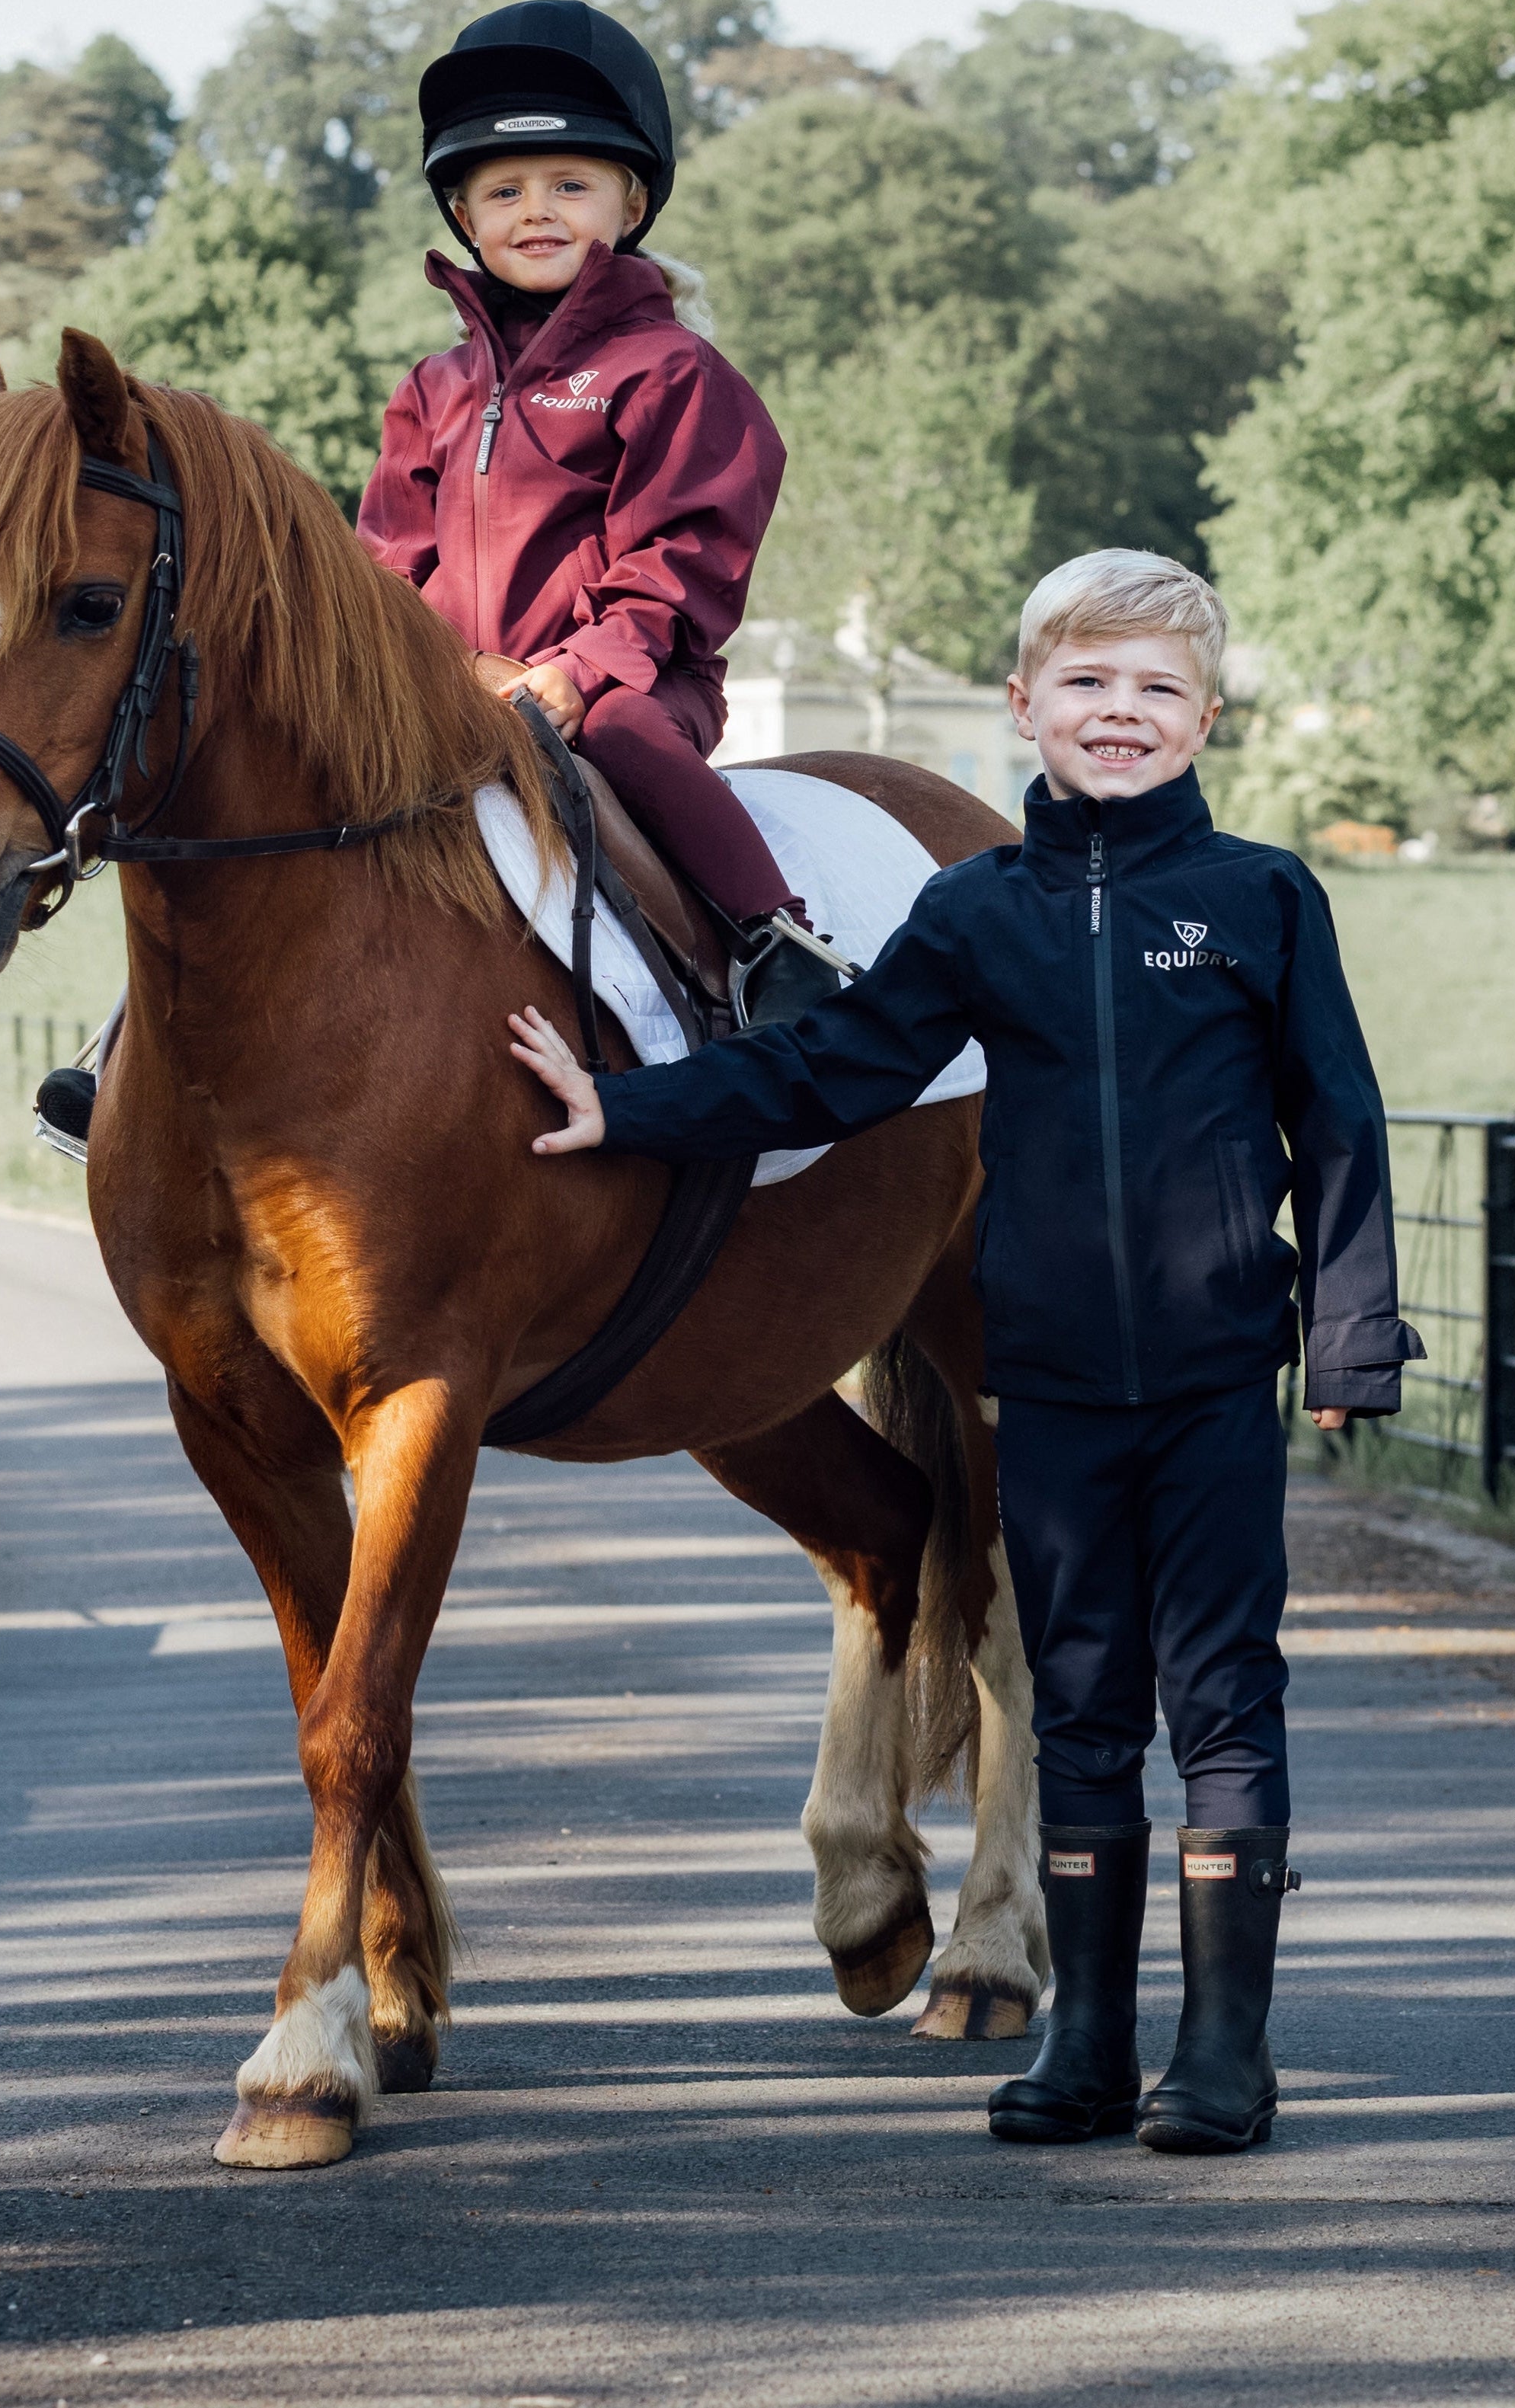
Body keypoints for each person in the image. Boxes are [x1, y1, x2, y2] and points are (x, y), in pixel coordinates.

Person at [507, 547, 1423, 2154]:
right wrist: (624, 1108)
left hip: (1212, 1373)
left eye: (1154, 689)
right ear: (1024, 705)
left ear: (1205, 716)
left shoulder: (1262, 897)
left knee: (1217, 1702)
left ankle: (1221, 2053)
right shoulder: (977, 907)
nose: (1118, 714)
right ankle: (1086, 2043)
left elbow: (1335, 1120)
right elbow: (834, 1071)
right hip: (1048, 1374)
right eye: (1086, 684)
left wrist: (1348, 1335)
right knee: (1073, 1704)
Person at [357, 0, 844, 1028]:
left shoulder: (671, 373)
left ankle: (773, 941)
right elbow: (384, 563)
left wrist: (574, 675)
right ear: (465, 219)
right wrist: (436, 673)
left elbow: (681, 560)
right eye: (504, 191)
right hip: (448, 689)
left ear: (626, 207)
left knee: (620, 732)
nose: (535, 210)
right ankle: (137, 1034)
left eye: (569, 185)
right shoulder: (432, 386)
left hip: (630, 682)